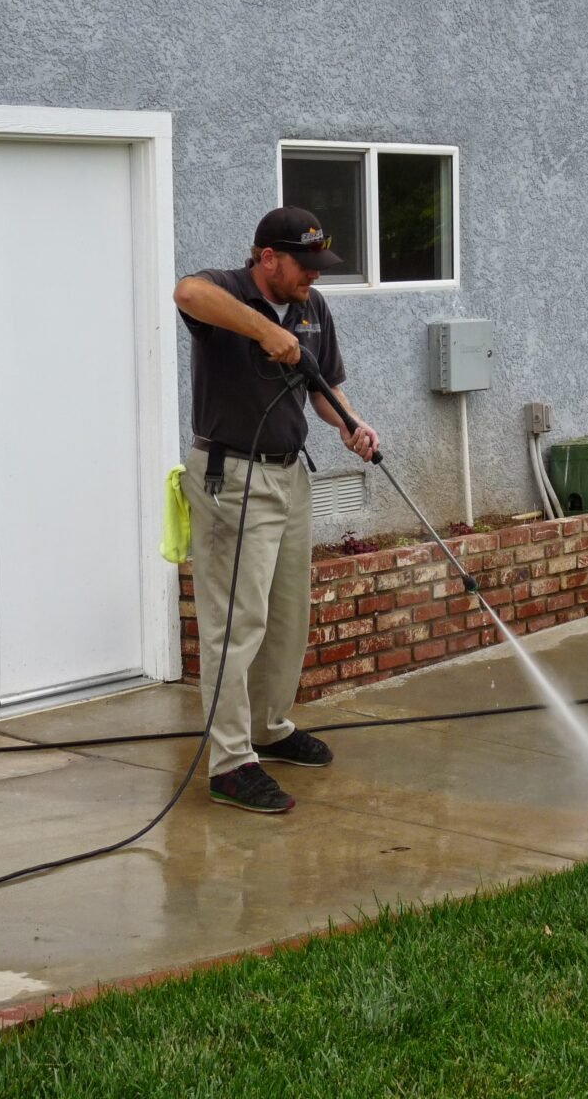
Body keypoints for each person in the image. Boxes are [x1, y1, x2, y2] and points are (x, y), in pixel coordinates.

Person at [173, 206, 379, 813]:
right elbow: (186, 292)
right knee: (236, 624)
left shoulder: (313, 309)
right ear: (268, 258)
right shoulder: (228, 292)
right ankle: (231, 762)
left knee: (287, 615)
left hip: (290, 478)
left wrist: (350, 423)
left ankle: (269, 728)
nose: (312, 276)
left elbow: (322, 386)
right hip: (232, 478)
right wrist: (263, 331)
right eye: (303, 265)